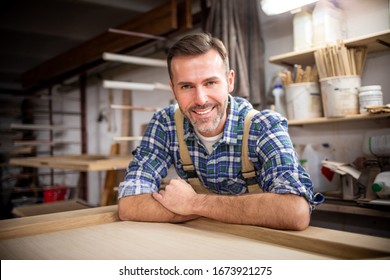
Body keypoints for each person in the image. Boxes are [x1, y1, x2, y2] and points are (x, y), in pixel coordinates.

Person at [117, 32, 324, 230]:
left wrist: (194, 203)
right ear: (173, 90)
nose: (200, 100)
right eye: (187, 86)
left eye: (211, 83)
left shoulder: (264, 127)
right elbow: (129, 205)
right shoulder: (166, 124)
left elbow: (295, 212)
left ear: (230, 81)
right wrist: (249, 209)